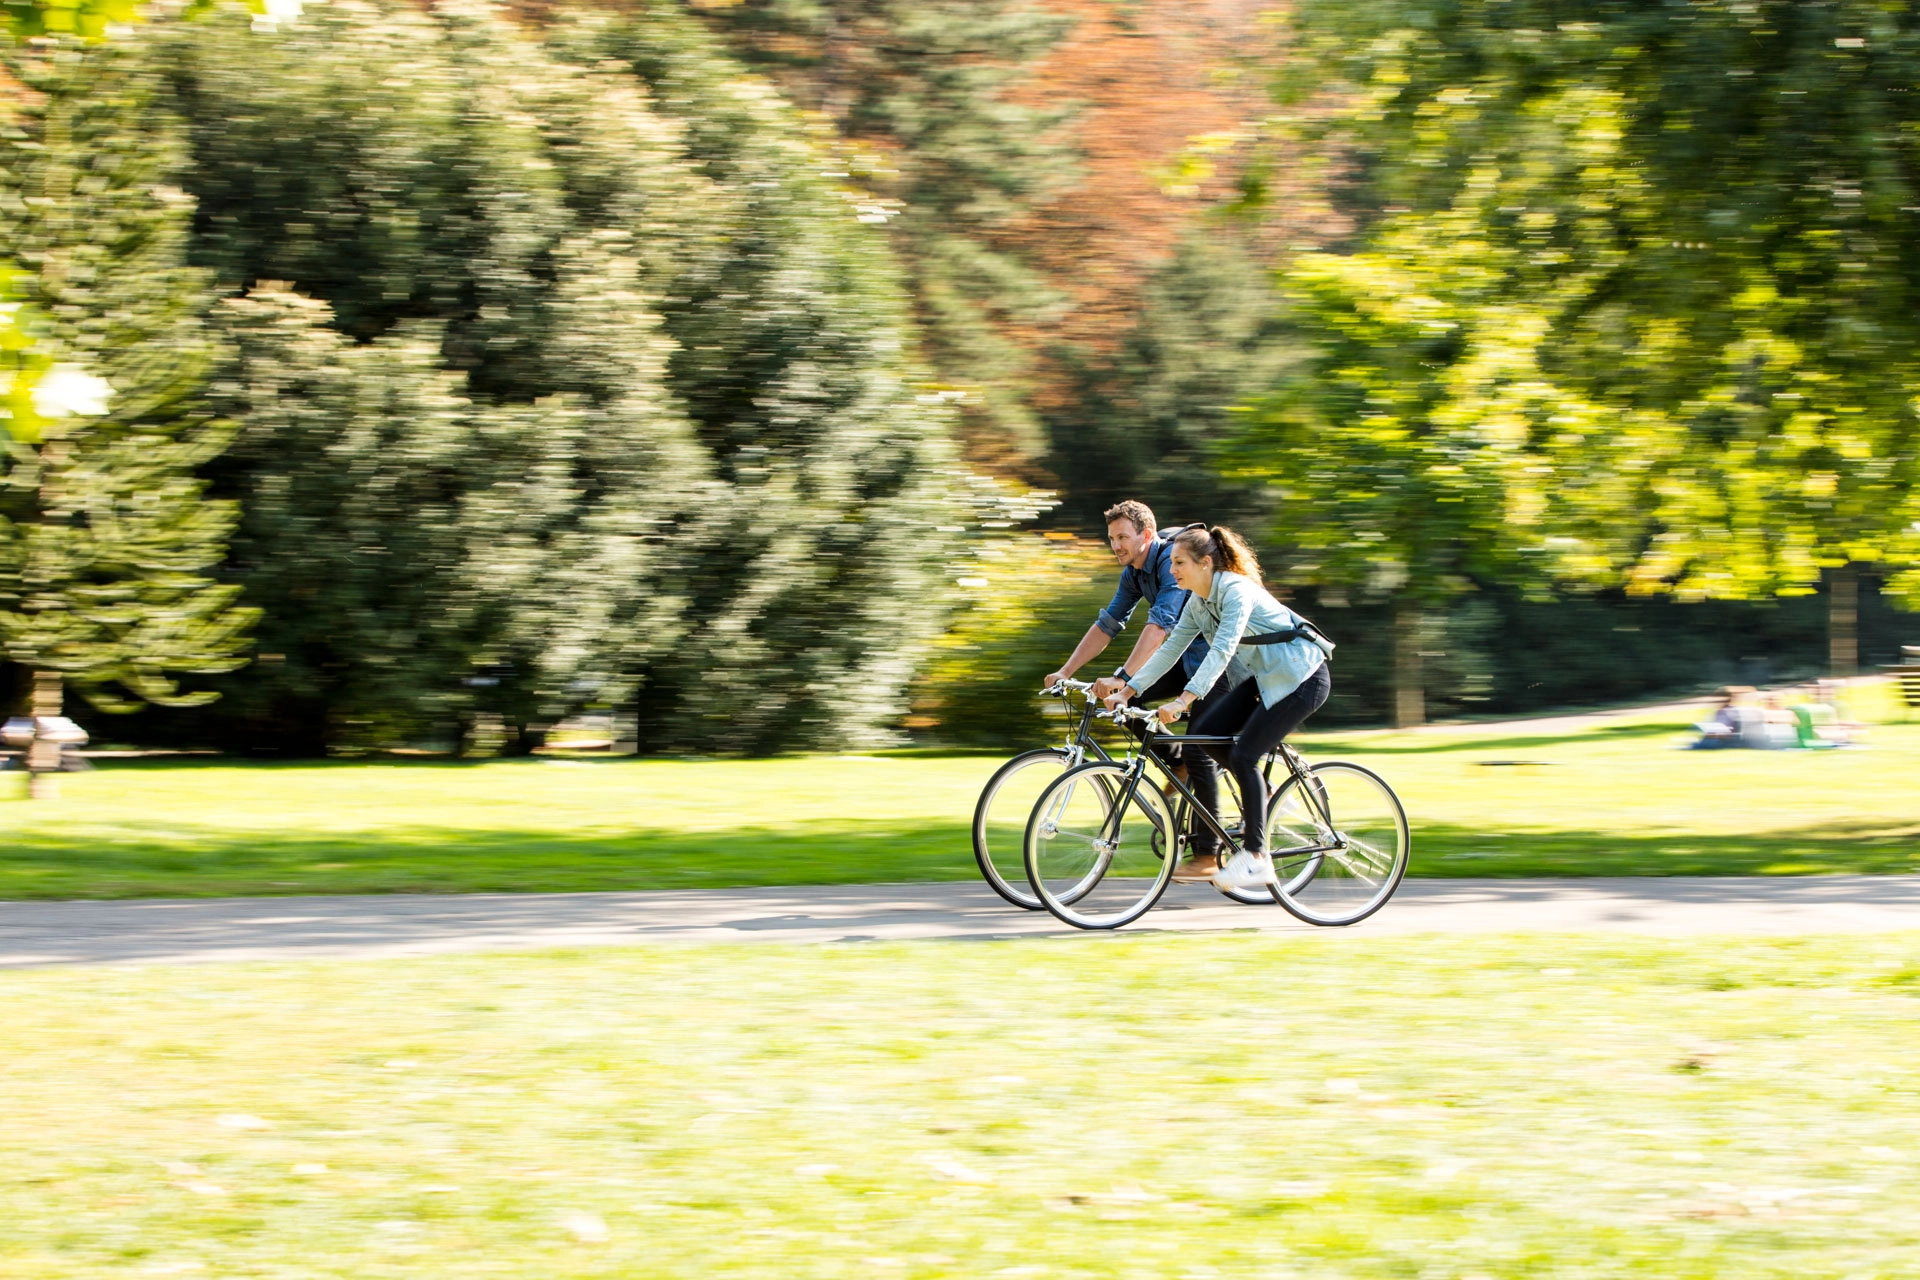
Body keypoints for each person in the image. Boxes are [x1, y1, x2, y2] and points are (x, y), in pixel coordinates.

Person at [1105, 524, 1332, 890]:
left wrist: (1184, 699)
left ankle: (1257, 858)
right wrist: (1129, 690)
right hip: (1268, 678)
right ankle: (1262, 791)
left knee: (1243, 756)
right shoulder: (1198, 601)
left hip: (1303, 678)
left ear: (1205, 563)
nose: (1172, 569)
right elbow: (1170, 650)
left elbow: (1222, 650)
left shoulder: (1236, 591)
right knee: (1209, 737)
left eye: (1179, 562)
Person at [1041, 500, 1244, 879]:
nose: (1115, 545)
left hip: (1214, 667)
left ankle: (1206, 854)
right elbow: (1108, 623)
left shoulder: (1172, 562)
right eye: (1111, 538)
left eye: (1122, 537)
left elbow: (1160, 627)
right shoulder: (1133, 573)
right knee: (1118, 705)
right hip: (1180, 663)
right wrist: (1066, 670)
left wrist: (1123, 678)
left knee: (1201, 746)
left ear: (1146, 536)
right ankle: (1176, 761)